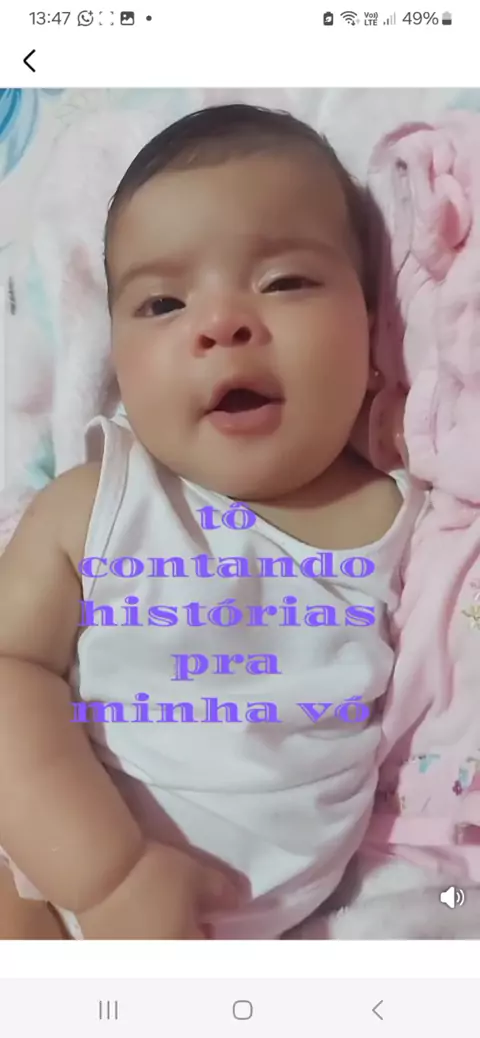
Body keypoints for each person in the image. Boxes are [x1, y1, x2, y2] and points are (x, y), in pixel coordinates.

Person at [0, 104, 421, 939]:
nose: (221, 324)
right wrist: (108, 877)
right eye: (162, 303)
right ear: (117, 358)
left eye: (285, 282)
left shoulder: (414, 521)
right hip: (48, 875)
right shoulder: (97, 505)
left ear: (374, 325)